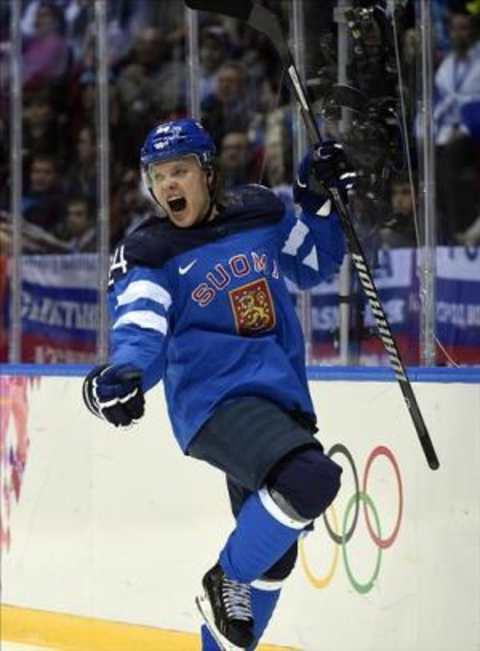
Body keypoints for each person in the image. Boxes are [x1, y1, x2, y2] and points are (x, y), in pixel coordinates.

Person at [82, 118, 355, 651]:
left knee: (274, 560)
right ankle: (223, 576)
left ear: (208, 171)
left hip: (280, 398)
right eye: (157, 177)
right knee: (310, 480)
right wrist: (126, 373)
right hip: (216, 403)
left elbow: (314, 263)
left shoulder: (259, 212)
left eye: (179, 171)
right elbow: (141, 328)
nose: (168, 187)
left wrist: (318, 203)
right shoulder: (150, 252)